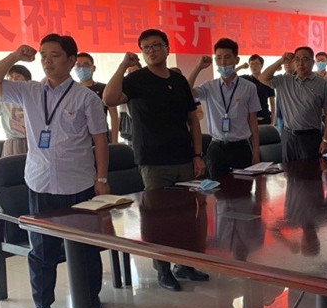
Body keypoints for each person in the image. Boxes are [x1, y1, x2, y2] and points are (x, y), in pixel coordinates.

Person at [0, 34, 110, 308]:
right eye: (43, 55)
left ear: (71, 60)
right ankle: (42, 305)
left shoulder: (86, 98)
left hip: (78, 184)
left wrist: (101, 178)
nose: (47, 61)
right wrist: (15, 56)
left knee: (85, 247)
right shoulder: (29, 91)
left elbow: (100, 140)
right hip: (40, 183)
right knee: (41, 249)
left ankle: (90, 297)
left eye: (55, 55)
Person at [102, 28, 208, 292]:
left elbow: (192, 120)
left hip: (183, 158)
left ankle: (185, 264)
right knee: (158, 218)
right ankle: (163, 269)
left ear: (167, 48)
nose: (151, 51)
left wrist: (197, 154)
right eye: (146, 47)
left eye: (156, 45)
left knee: (186, 216)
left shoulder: (179, 80)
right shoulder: (136, 79)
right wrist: (122, 65)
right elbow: (109, 98)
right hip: (153, 161)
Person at [187, 38, 261, 177]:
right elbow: (186, 92)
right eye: (219, 58)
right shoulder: (209, 87)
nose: (223, 62)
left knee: (244, 187)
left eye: (227, 57)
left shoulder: (249, 87)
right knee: (218, 187)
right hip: (217, 147)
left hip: (241, 147)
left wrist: (256, 151)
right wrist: (198, 67)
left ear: (236, 60)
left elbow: (253, 121)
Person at [259, 47, 327, 162]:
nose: (301, 63)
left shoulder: (322, 84)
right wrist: (281, 61)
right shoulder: (285, 81)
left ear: (312, 62)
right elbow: (262, 78)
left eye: (305, 59)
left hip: (311, 137)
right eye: (297, 59)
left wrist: (326, 139)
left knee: (311, 171)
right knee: (288, 171)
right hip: (288, 137)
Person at [0, 64, 31, 157]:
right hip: (13, 143)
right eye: (11, 76)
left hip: (33, 140)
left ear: (27, 80)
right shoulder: (3, 100)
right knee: (13, 165)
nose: (14, 79)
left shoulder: (34, 97)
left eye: (18, 76)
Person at [75, 52, 120, 143]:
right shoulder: (73, 90)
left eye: (86, 65)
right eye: (78, 65)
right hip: (79, 141)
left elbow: (114, 117)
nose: (82, 68)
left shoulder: (104, 88)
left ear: (93, 68)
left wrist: (115, 141)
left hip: (101, 139)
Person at [239, 54, 276, 125]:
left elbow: (272, 102)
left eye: (256, 63)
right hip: (249, 119)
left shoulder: (267, 80)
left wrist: (273, 121)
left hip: (265, 119)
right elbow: (230, 76)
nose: (254, 66)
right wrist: (241, 67)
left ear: (261, 65)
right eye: (252, 64)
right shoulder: (246, 79)